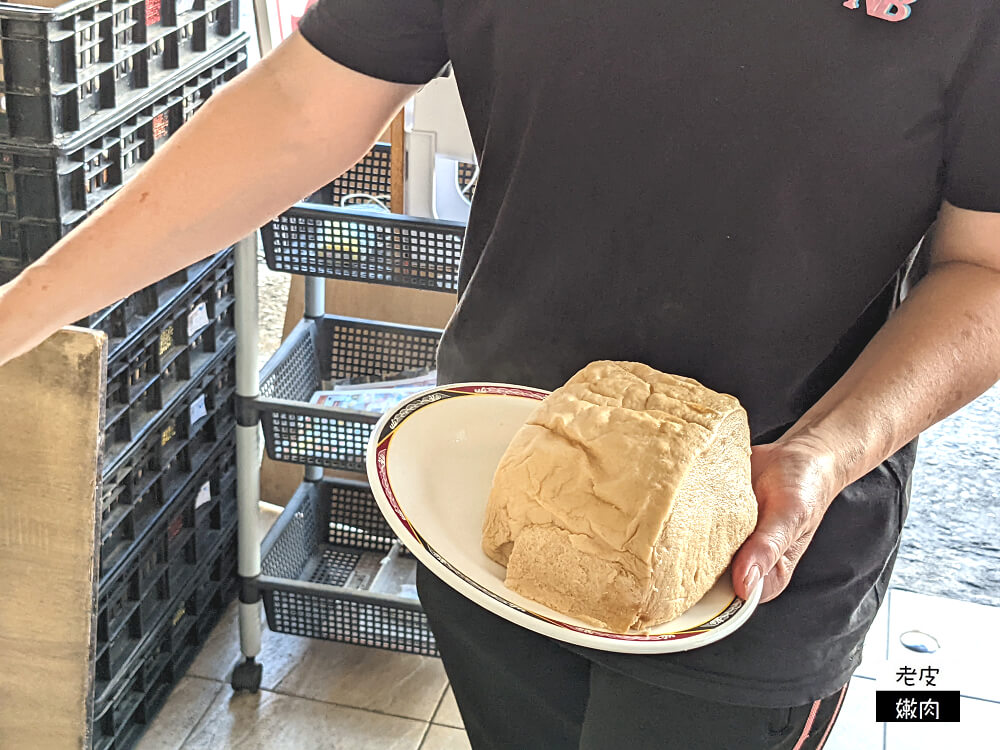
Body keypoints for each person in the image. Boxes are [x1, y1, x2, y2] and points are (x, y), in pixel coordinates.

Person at [1, 1, 999, 747]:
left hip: (757, 553)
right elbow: (304, 107)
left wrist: (827, 454)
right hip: (497, 504)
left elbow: (983, 268)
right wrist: (20, 313)